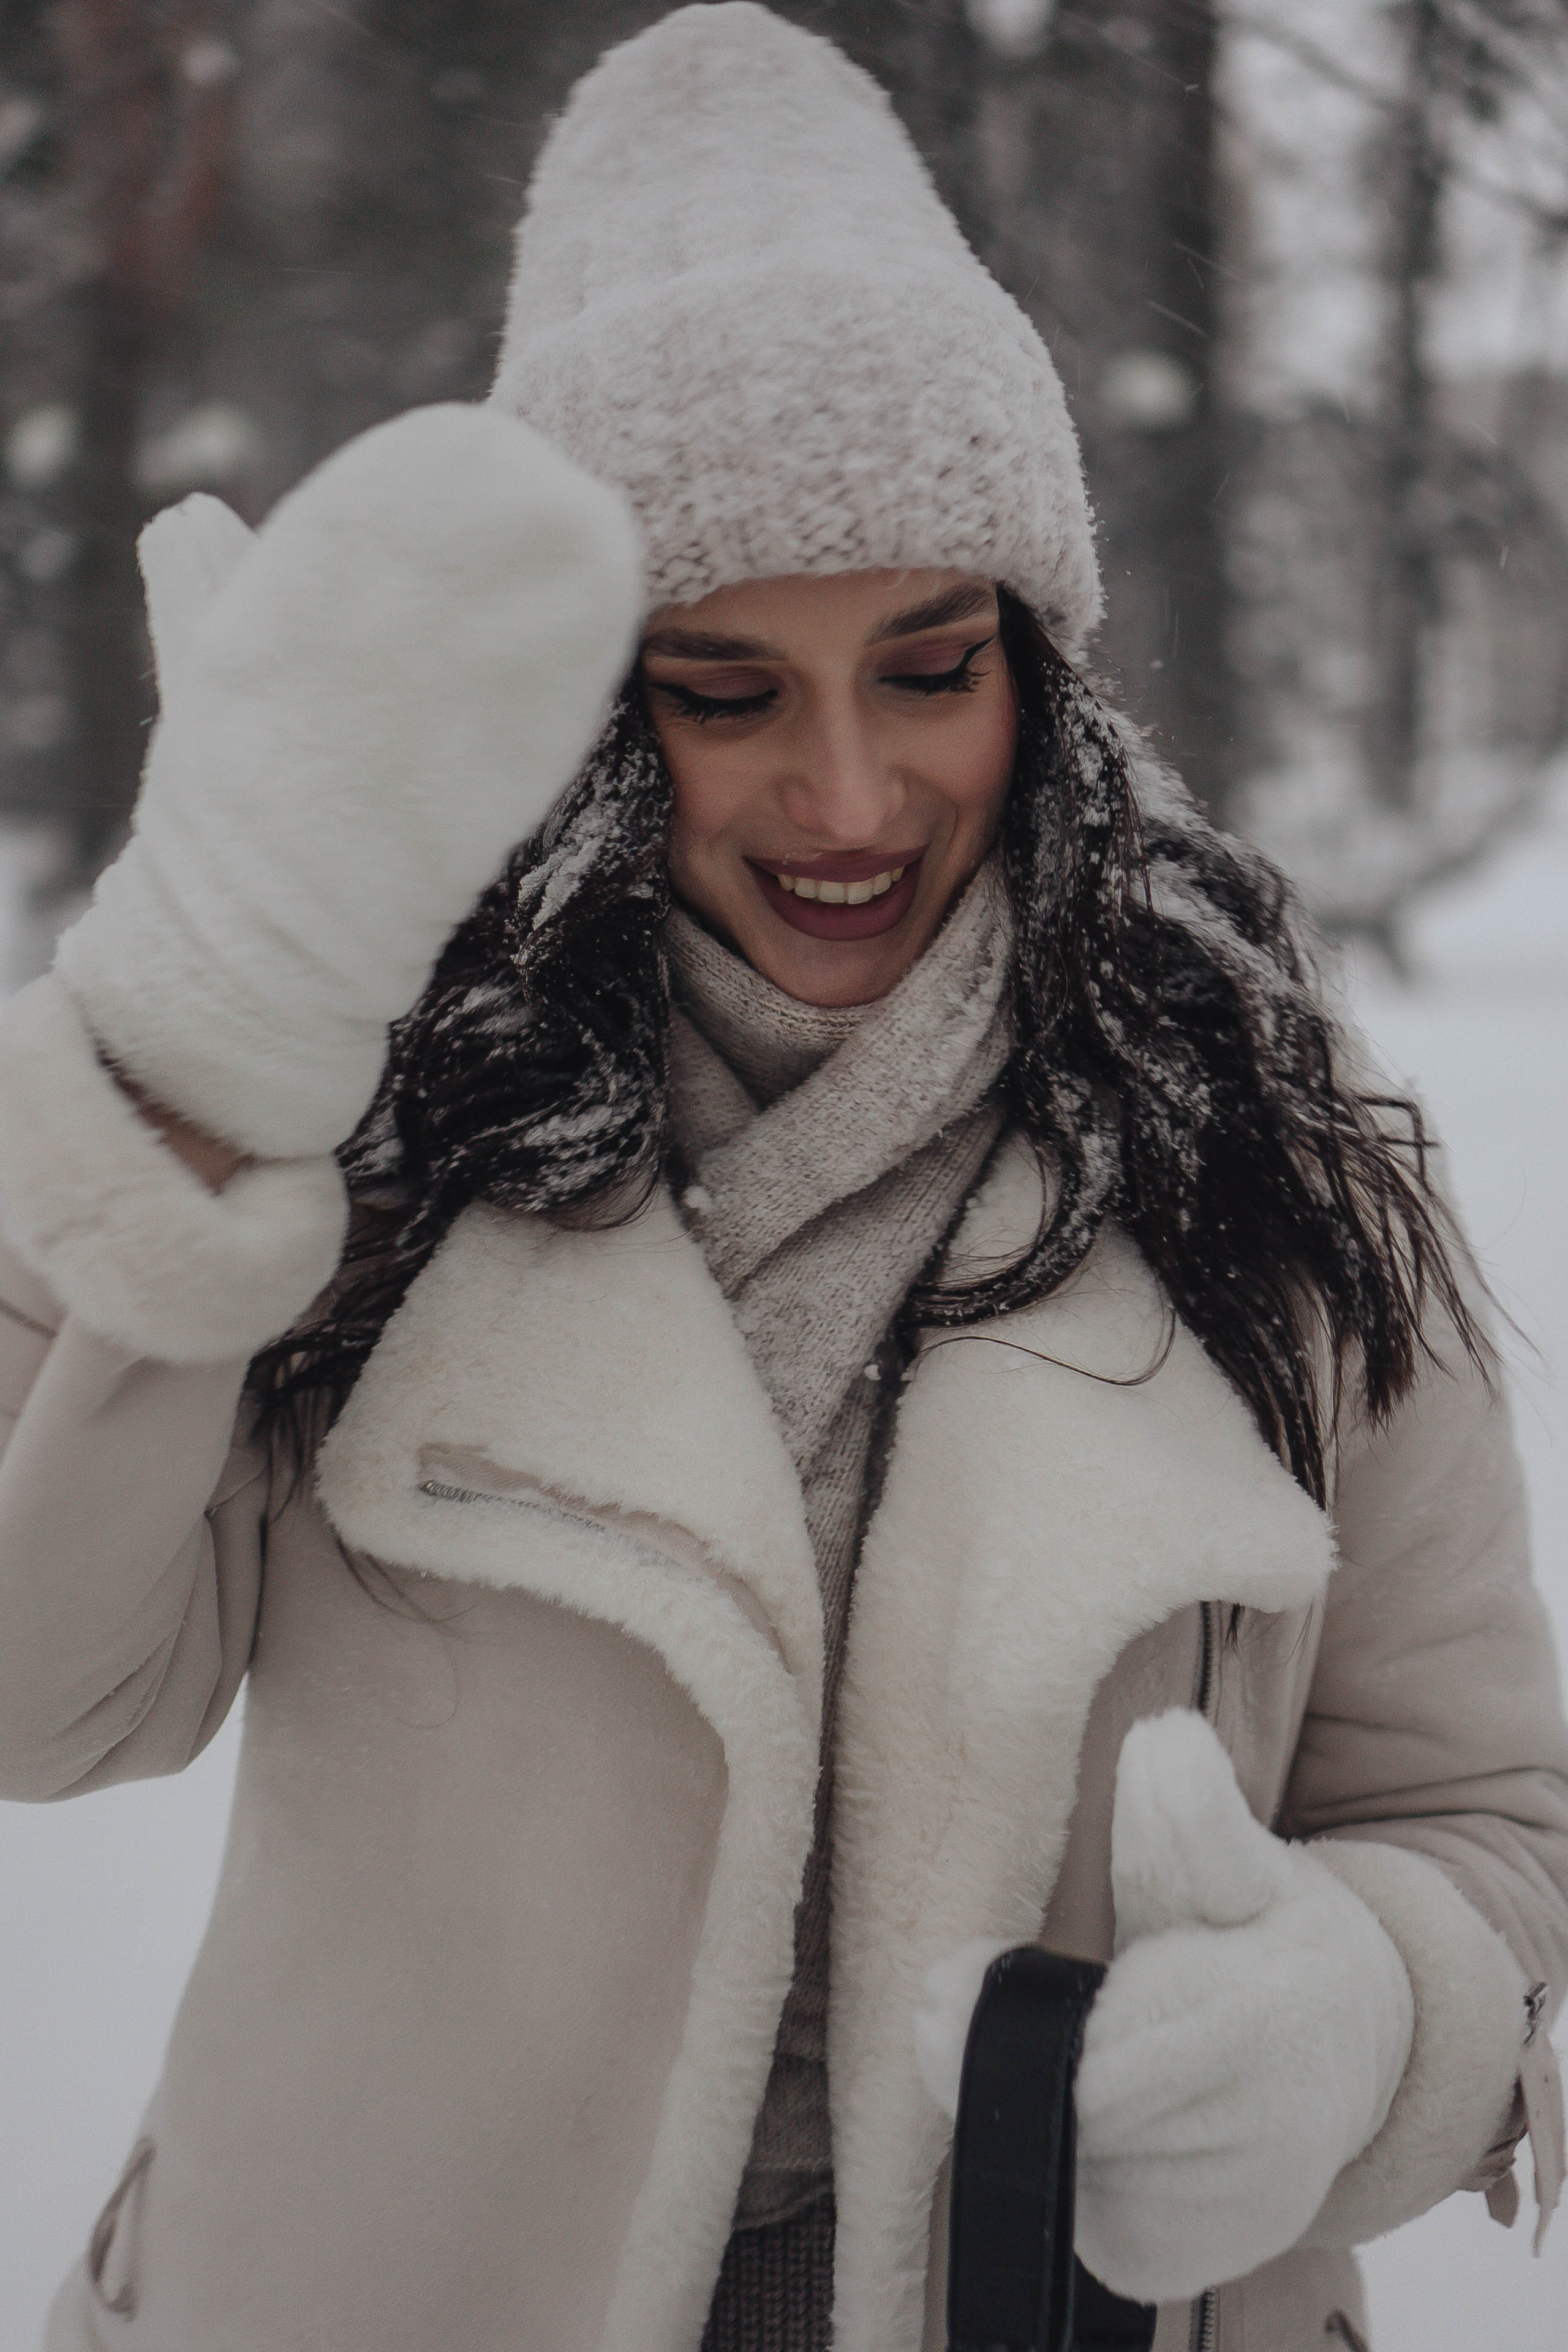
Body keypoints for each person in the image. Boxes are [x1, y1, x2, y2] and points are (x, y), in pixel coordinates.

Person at [0, 9, 1564, 2350]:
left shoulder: (1267, 1136)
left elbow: (1491, 1821)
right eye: (723, 690)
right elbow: (47, 1697)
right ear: (590, 713)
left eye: (930, 667)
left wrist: (1369, 2019)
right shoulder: (383, 1109)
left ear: (1039, 659)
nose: (849, 799)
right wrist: (194, 1085)